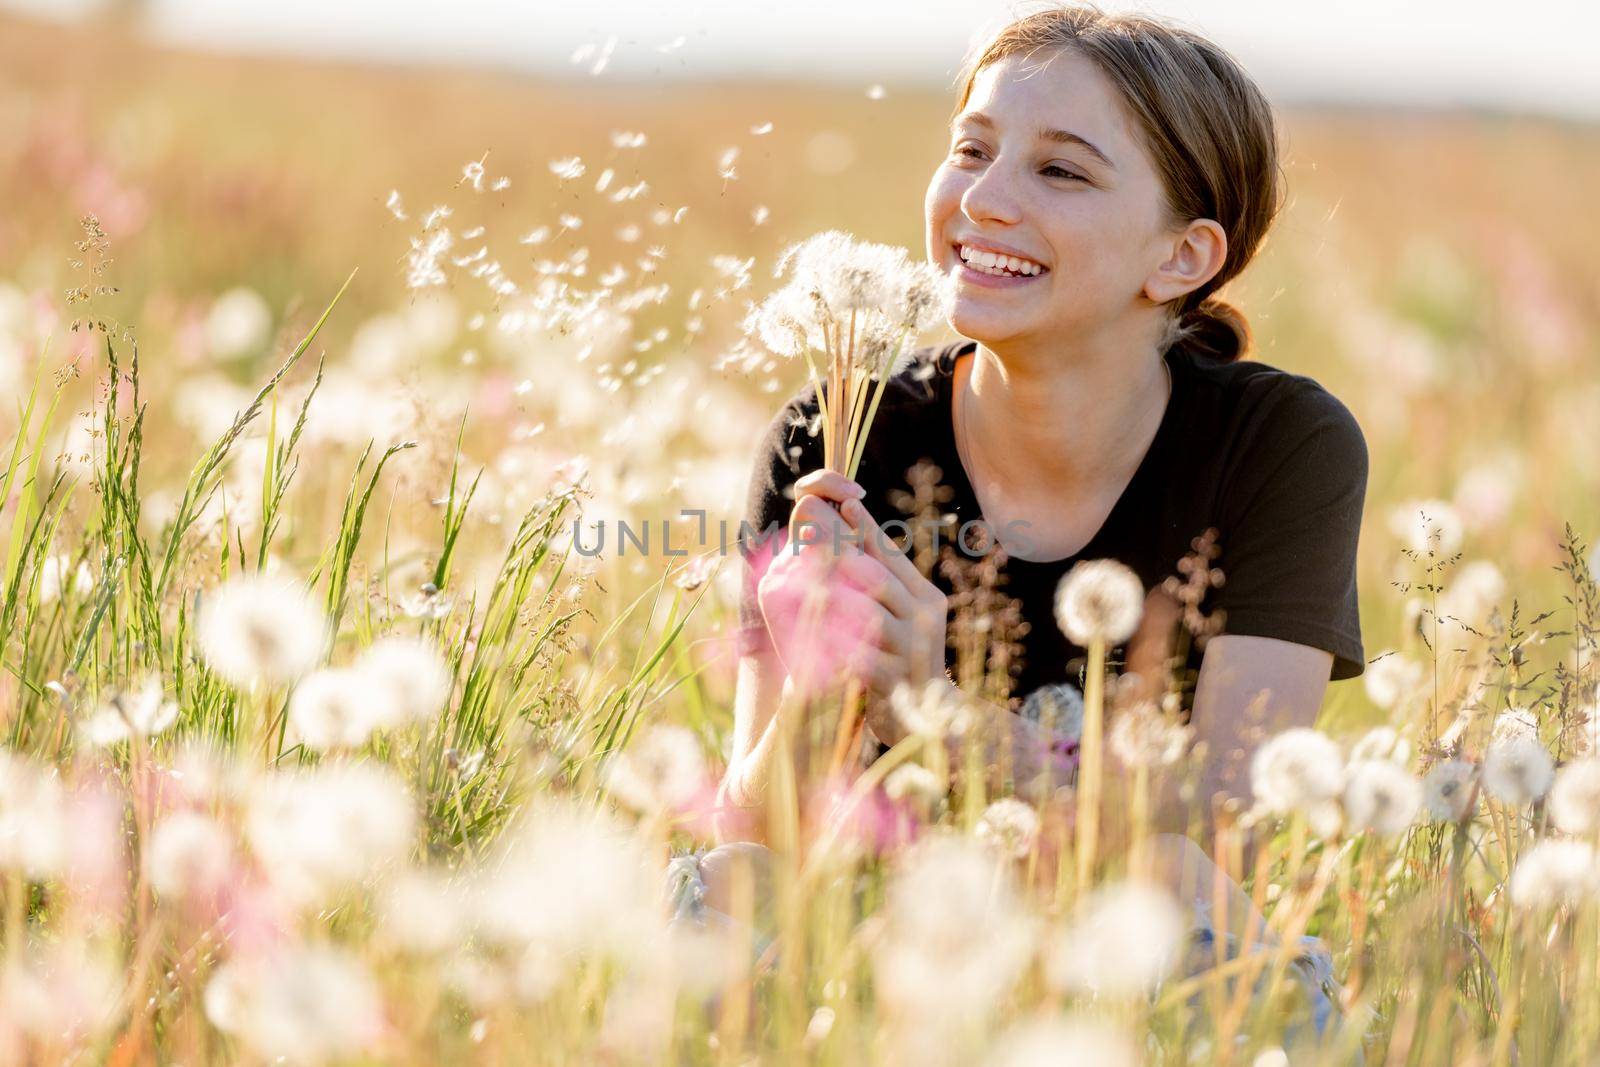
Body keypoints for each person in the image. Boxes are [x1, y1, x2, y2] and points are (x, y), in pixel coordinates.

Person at [694, 3, 1369, 1048]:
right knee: (723, 891)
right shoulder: (836, 435)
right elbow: (757, 825)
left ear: (1182, 257)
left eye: (1061, 172)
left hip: (1136, 966)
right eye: (971, 149)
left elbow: (1226, 836)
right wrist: (821, 679)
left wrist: (939, 713)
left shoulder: (1278, 444)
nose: (983, 198)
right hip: (879, 949)